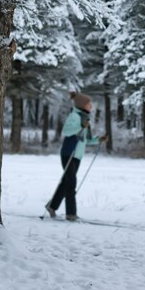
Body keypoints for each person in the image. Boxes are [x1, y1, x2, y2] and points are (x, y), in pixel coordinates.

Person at [45, 92, 107, 221]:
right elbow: (66, 131)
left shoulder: (85, 118)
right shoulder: (74, 116)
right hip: (69, 153)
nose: (91, 106)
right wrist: (80, 126)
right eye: (89, 103)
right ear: (82, 105)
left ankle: (52, 206)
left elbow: (86, 139)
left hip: (77, 155)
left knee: (66, 182)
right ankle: (71, 214)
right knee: (71, 183)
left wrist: (99, 139)